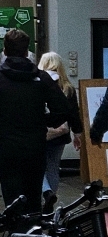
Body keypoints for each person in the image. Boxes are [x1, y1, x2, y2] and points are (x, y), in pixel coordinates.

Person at [0, 28, 80, 214]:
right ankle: (32, 228)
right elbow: (63, 110)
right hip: (34, 145)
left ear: (5, 50)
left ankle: (16, 228)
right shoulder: (41, 78)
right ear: (27, 52)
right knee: (33, 198)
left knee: (12, 199)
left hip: (7, 145)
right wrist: (44, 121)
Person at [39, 51, 81, 212]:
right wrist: (77, 134)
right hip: (61, 134)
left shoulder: (38, 84)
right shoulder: (68, 88)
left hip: (42, 133)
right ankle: (50, 200)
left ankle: (46, 192)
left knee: (38, 167)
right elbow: (74, 114)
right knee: (53, 167)